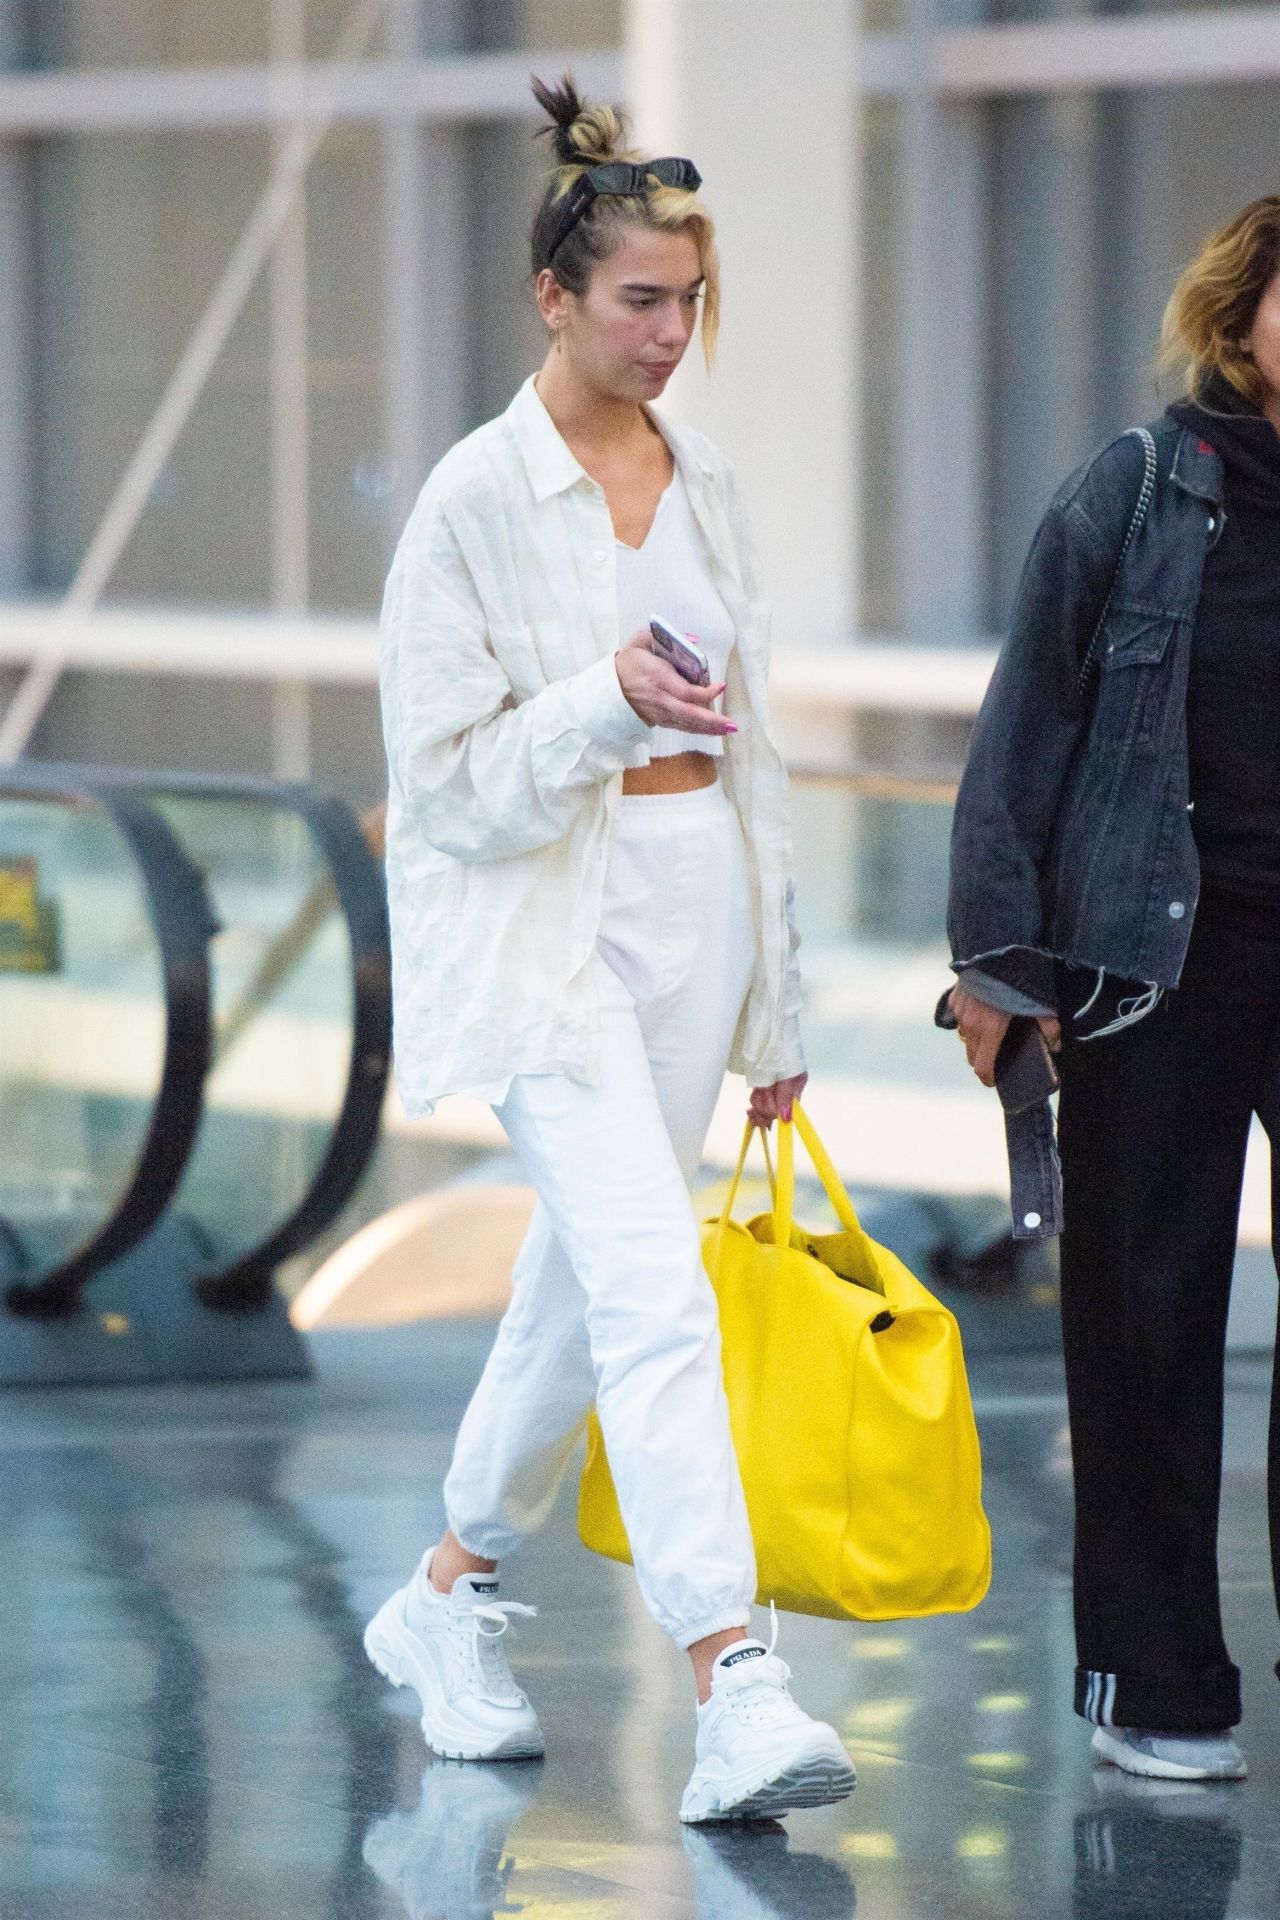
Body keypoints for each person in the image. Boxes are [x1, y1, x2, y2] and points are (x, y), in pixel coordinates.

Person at [365, 75, 856, 1826]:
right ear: (553, 298)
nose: (670, 334)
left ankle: (443, 1596)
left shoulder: (704, 478)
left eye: (692, 302)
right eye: (640, 299)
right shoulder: (472, 504)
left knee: (581, 1294)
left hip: (693, 912)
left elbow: (761, 761)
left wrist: (777, 996)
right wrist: (597, 702)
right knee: (653, 1293)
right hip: (544, 937)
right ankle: (738, 1677)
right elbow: (440, 793)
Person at [946, 196, 1280, 1782]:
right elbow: (1024, 729)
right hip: (1159, 956)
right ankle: (1159, 1685)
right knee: (1150, 1315)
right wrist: (1001, 964)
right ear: (1244, 311)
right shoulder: (1140, 491)